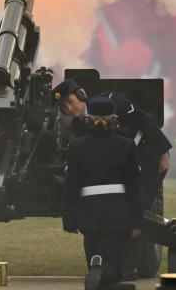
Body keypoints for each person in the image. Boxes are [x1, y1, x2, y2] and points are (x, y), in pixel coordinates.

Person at [51, 79, 172, 279]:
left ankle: (129, 268)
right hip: (123, 169)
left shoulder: (114, 101)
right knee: (126, 213)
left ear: (81, 96)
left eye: (71, 102)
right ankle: (116, 266)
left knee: (138, 210)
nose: (70, 109)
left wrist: (164, 152)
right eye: (65, 107)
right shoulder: (81, 127)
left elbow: (143, 121)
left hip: (148, 157)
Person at [62, 95, 142, 290]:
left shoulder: (76, 146)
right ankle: (103, 270)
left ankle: (96, 268)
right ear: (113, 117)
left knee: (93, 254)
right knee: (115, 266)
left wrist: (69, 220)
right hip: (118, 212)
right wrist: (137, 220)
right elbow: (133, 186)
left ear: (89, 118)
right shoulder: (127, 145)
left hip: (88, 213)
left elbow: (70, 186)